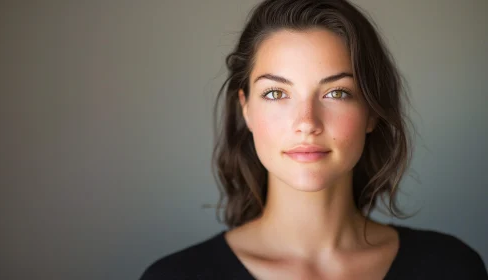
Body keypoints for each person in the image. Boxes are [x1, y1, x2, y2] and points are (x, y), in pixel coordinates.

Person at [140, 0, 488, 279]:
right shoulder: (175, 275)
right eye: (276, 93)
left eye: (337, 93)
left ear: (372, 112)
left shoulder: (452, 267)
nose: (307, 122)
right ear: (245, 109)